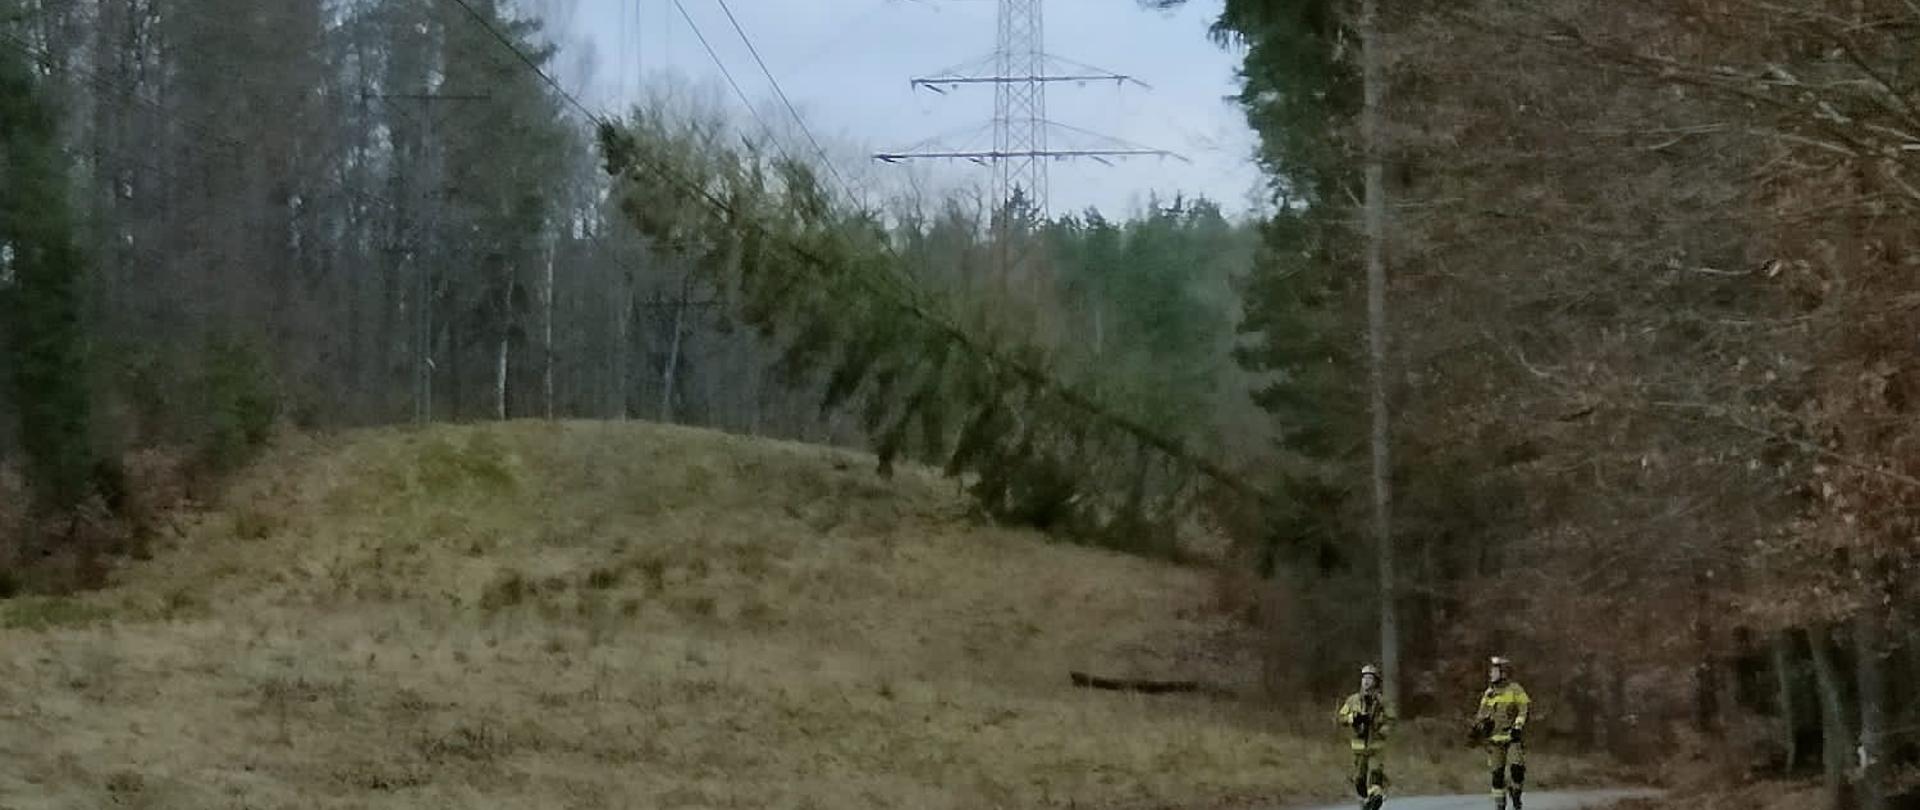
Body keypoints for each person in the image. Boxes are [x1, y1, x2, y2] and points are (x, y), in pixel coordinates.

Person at [1470, 655, 1532, 810]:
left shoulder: (1515, 689)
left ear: (1504, 673)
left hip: (1512, 737)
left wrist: (1518, 726)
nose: (1491, 674)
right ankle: (1500, 805)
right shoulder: (1489, 693)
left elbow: (1524, 709)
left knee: (1517, 769)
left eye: (1494, 671)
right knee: (1497, 775)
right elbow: (1481, 713)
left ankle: (1516, 794)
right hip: (1494, 739)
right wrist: (1475, 729)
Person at [1336, 663, 1394, 810]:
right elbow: (1341, 717)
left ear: (1375, 682)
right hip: (1359, 747)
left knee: (1375, 773)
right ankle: (1366, 800)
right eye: (1364, 678)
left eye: (1370, 678)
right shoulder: (1352, 700)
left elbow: (1391, 719)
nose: (1366, 681)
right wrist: (1353, 719)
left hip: (1375, 746)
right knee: (1359, 779)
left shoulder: (1382, 702)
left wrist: (1382, 731)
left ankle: (1376, 797)